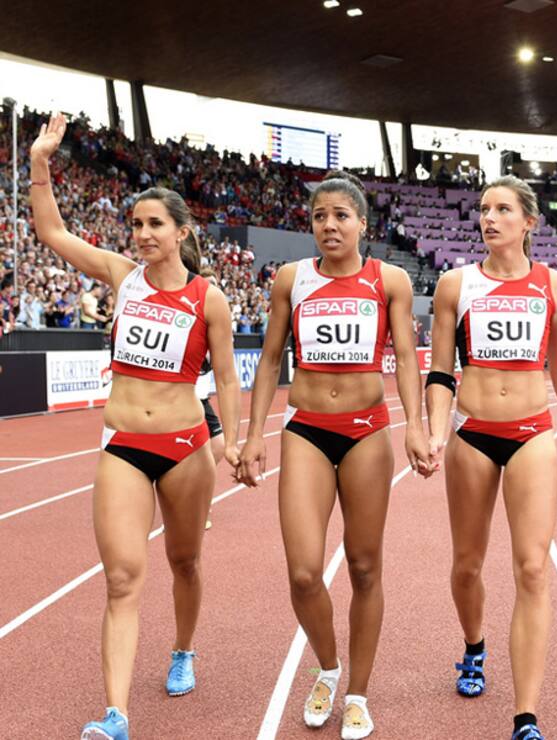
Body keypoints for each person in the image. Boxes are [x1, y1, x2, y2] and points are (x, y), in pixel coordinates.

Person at [30, 113, 241, 740]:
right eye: (137, 225)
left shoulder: (208, 298)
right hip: (123, 444)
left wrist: (235, 441)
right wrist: (40, 162)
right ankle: (116, 715)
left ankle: (182, 649)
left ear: (180, 232)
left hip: (186, 447)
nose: (143, 234)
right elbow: (52, 231)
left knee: (184, 561)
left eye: (155, 225)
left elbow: (228, 379)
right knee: (122, 578)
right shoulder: (122, 277)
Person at [237, 171, 431, 740]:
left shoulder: (389, 279)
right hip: (306, 429)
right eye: (320, 216)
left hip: (367, 431)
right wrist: (253, 435)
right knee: (303, 572)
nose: (329, 225)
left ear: (362, 224)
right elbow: (270, 359)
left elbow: (407, 357)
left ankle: (358, 694)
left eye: (341, 215)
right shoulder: (291, 279)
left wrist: (416, 426)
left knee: (365, 566)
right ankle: (327, 668)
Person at [426, 175, 557, 740]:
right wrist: (435, 432)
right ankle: (474, 646)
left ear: (529, 221)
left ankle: (525, 716)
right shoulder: (455, 285)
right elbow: (440, 371)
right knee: (467, 564)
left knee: (532, 567)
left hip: (532, 431)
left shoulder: (554, 285)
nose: (489, 218)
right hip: (473, 433)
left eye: (503, 209)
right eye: (484, 209)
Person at [195, 267, 227, 530]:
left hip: (202, 399)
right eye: (206, 284)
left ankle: (196, 497)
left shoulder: (217, 321)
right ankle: (195, 503)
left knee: (218, 447)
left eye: (214, 284)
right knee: (204, 453)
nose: (211, 288)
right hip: (185, 400)